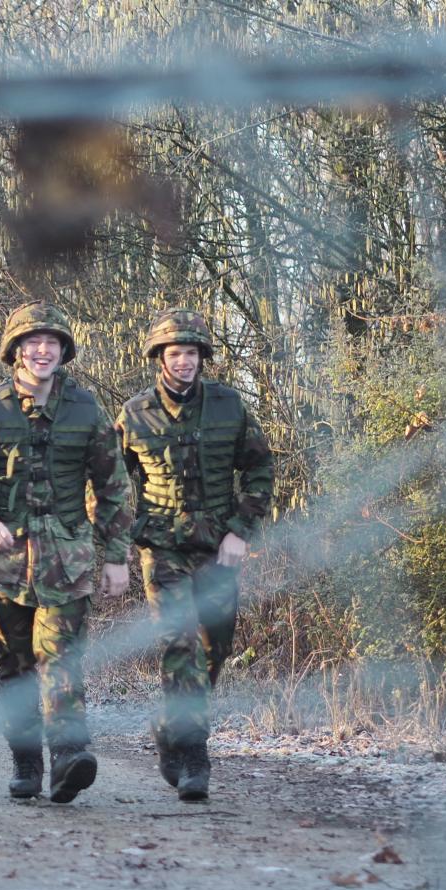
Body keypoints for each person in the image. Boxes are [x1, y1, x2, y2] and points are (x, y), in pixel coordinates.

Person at [0, 302, 133, 804]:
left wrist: (115, 555)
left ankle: (69, 756)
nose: (42, 350)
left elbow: (113, 485)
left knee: (62, 658)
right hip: (3, 564)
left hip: (67, 560)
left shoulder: (86, 409)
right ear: (16, 351)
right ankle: (26, 761)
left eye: (51, 343)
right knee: (16, 664)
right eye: (32, 342)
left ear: (63, 351)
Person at [115, 308, 274, 801]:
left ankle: (170, 722)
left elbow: (260, 470)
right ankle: (193, 755)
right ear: (158, 358)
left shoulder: (229, 406)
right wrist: (118, 546)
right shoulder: (134, 413)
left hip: (217, 548)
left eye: (190, 353)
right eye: (174, 353)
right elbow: (111, 483)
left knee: (215, 646)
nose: (183, 361)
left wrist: (240, 532)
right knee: (178, 643)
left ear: (202, 357)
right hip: (162, 549)